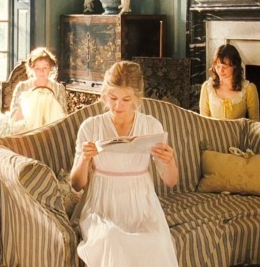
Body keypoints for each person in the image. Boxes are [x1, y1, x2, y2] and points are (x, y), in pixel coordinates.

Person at [70, 61, 180, 267]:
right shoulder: (91, 126)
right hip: (102, 205)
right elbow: (76, 184)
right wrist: (85, 159)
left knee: (155, 243)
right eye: (112, 98)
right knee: (112, 239)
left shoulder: (151, 125)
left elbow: (171, 181)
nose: (118, 106)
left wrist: (170, 160)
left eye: (126, 99)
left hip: (141, 205)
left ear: (137, 99)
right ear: (104, 95)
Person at [0, 47, 68, 137]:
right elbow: (15, 112)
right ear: (32, 69)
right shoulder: (22, 87)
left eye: (45, 68)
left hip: (51, 128)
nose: (41, 72)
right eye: (37, 68)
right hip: (27, 126)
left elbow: (63, 116)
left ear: (51, 68)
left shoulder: (58, 88)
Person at [199, 44, 260, 121]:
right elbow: (203, 121)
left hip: (238, 133)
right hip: (213, 133)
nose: (220, 71)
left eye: (225, 67)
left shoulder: (249, 89)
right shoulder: (207, 87)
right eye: (217, 66)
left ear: (235, 66)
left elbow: (255, 122)